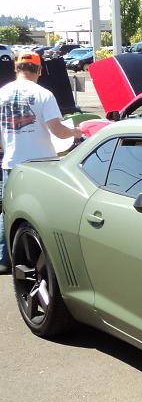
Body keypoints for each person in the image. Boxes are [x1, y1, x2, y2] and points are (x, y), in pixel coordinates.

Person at [0, 51, 81, 271]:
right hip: (42, 163)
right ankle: (45, 256)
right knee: (43, 211)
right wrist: (75, 132)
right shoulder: (44, 94)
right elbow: (57, 130)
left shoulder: (1, 93)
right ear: (39, 70)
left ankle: (6, 259)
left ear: (16, 69)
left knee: (8, 211)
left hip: (11, 162)